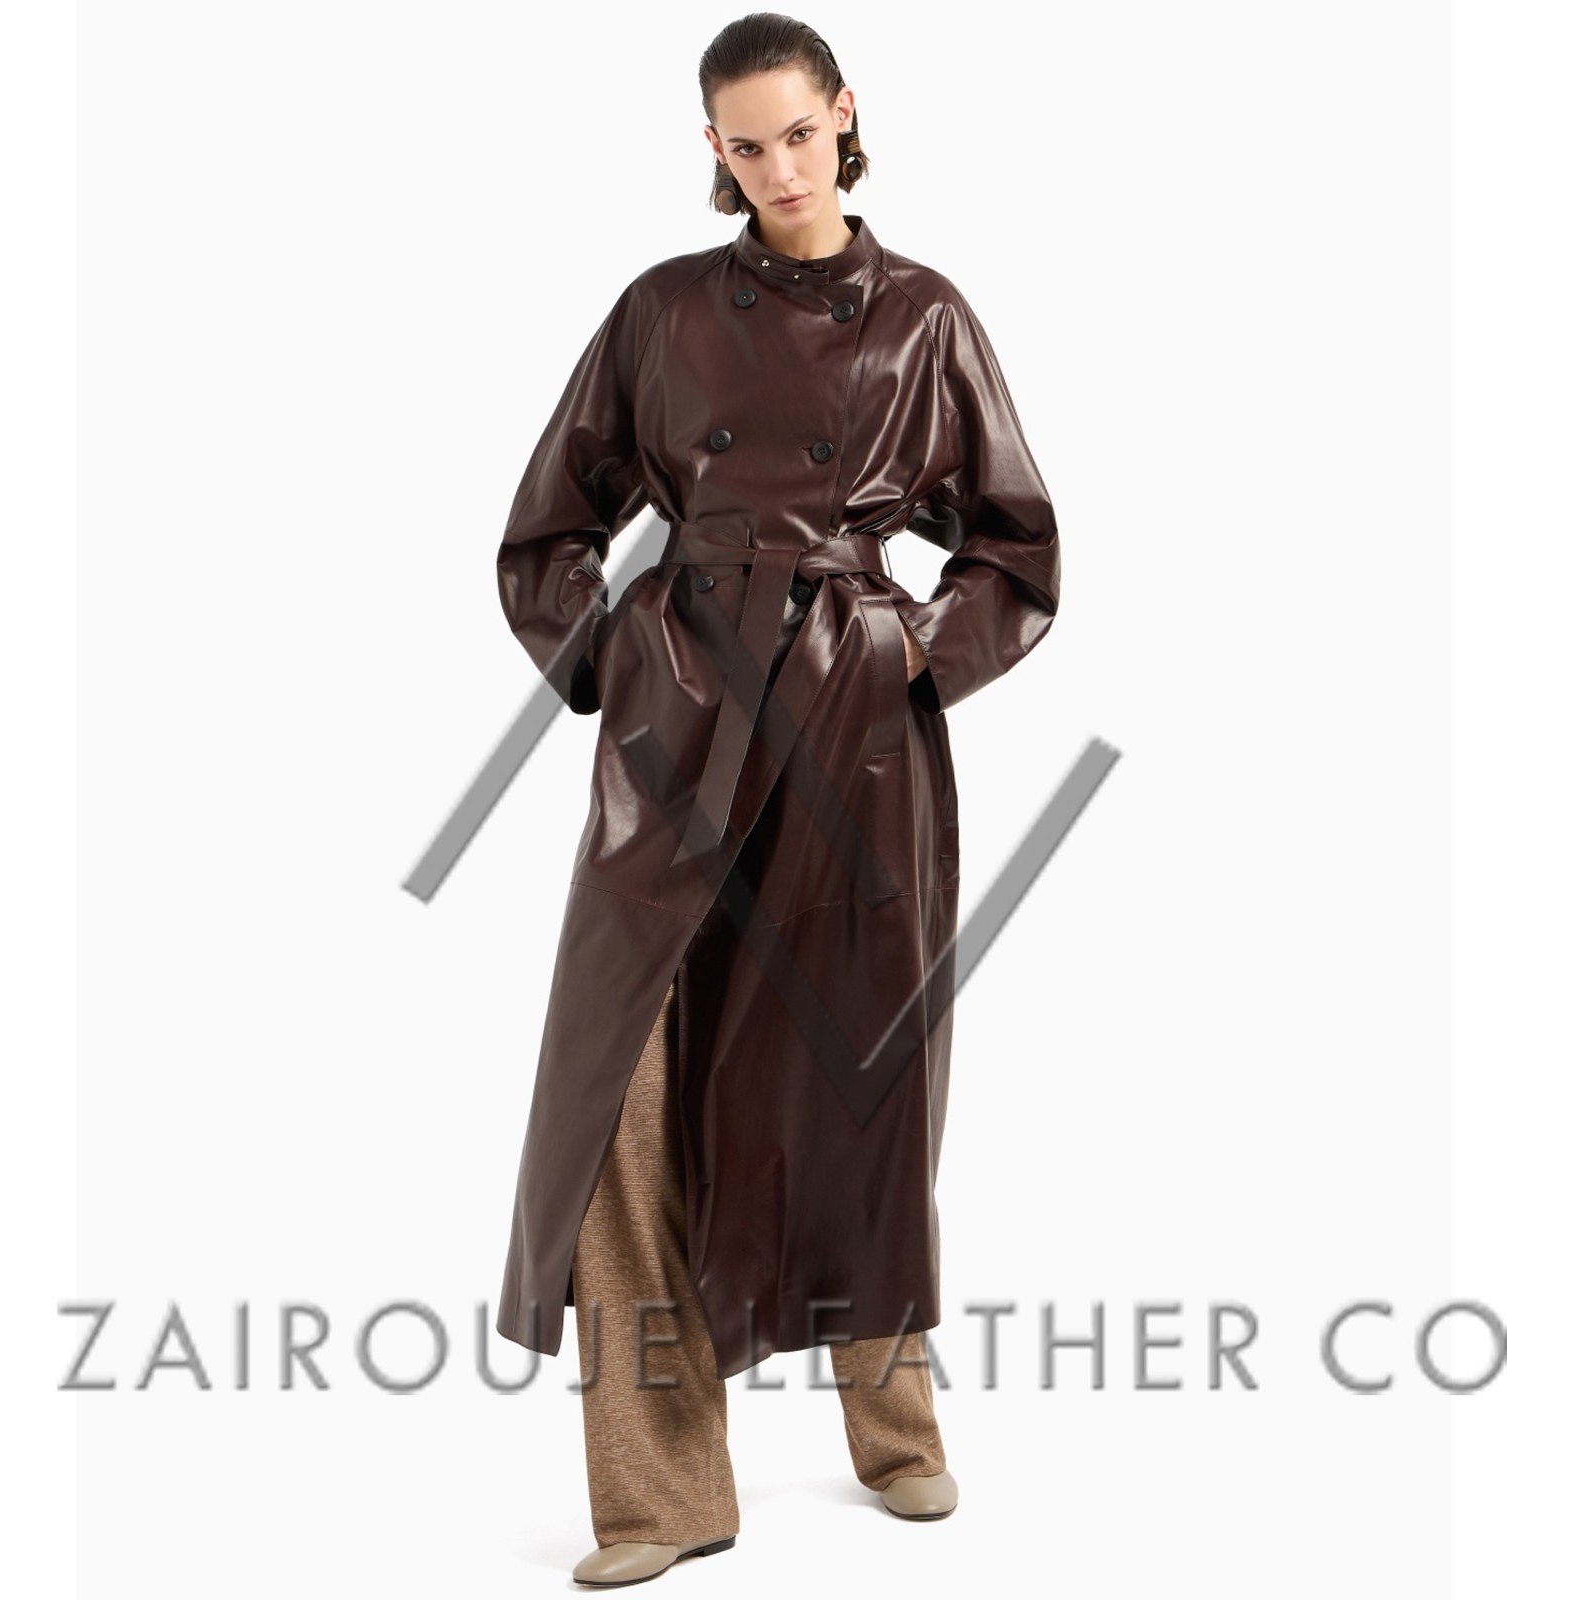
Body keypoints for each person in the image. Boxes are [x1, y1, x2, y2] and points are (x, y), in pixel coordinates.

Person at [492, 12, 1061, 1588]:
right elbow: (545, 529)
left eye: (800, 134)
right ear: (713, 151)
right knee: (623, 1100)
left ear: (846, 117)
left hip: (858, 737)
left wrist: (908, 654)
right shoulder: (661, 312)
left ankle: (895, 1423)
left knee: (859, 1083)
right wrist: (618, 655)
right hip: (679, 733)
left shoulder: (926, 315)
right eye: (746, 145)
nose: (780, 168)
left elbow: (1018, 546)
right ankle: (660, 1495)